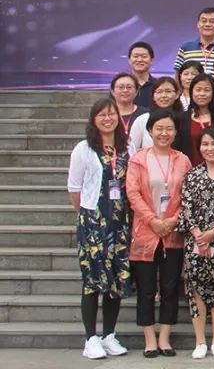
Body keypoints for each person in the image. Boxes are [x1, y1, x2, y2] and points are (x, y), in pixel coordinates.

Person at [68, 98, 132, 360]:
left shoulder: (127, 147)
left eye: (112, 114)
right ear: (93, 120)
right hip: (93, 222)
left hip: (120, 222)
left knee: (116, 280)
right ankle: (90, 338)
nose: (108, 119)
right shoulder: (83, 149)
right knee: (93, 281)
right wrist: (89, 214)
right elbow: (74, 188)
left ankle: (109, 335)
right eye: (102, 115)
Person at [126, 109, 192, 357]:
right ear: (150, 131)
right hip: (146, 232)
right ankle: (149, 338)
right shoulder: (138, 160)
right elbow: (133, 193)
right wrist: (153, 220)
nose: (164, 133)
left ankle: (165, 336)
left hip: (173, 233)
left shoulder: (183, 160)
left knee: (170, 287)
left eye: (169, 129)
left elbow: (188, 195)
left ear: (176, 132)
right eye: (159, 129)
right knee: (145, 288)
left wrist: (173, 220)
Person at [178, 126, 214, 359]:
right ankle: (200, 341)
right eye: (205, 144)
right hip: (195, 241)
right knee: (197, 289)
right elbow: (185, 207)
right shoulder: (192, 174)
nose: (210, 148)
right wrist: (198, 235)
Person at [173, 6, 214, 83]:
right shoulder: (186, 48)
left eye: (212, 21)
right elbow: (177, 76)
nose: (207, 24)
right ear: (198, 24)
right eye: (204, 21)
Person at [128, 77, 184, 154]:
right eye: (159, 92)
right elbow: (132, 150)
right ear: (153, 96)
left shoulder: (184, 119)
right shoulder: (143, 119)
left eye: (168, 91)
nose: (163, 95)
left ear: (177, 94)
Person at [177, 73, 214, 165]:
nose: (202, 94)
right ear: (191, 92)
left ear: (213, 93)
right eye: (198, 90)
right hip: (188, 169)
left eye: (207, 90)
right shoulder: (181, 119)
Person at [110, 72, 147, 142]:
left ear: (136, 91)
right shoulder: (107, 115)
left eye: (129, 87)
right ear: (112, 92)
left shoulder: (146, 114)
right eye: (121, 87)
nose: (125, 90)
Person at [128, 41, 156, 107]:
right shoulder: (121, 86)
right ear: (129, 60)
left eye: (144, 56)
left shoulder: (158, 86)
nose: (139, 60)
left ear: (151, 60)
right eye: (135, 56)